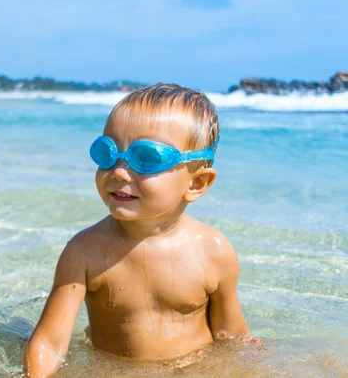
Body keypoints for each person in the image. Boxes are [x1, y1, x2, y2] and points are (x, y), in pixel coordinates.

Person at [23, 83, 257, 377]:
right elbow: (50, 342)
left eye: (146, 158)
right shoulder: (85, 251)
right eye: (107, 153)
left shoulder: (213, 251)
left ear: (196, 184)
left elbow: (231, 335)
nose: (119, 171)